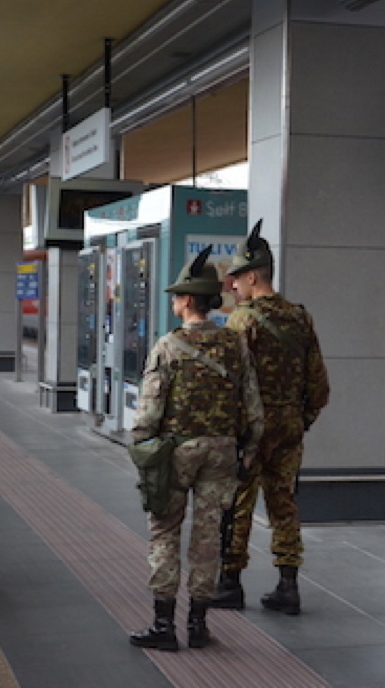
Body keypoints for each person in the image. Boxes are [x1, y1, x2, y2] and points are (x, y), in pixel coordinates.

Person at [128, 246, 263, 651]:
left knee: (165, 532)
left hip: (175, 452)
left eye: (175, 296)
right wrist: (249, 447)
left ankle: (163, 626)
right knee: (208, 538)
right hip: (222, 451)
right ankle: (199, 625)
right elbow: (253, 405)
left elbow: (149, 410)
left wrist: (141, 446)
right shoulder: (234, 343)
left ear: (187, 300)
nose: (173, 302)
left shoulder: (168, 346)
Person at [210, 220, 330, 615]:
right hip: (289, 428)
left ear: (254, 276)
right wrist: (301, 418)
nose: (231, 286)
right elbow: (319, 384)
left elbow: (231, 382)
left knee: (239, 502)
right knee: (284, 503)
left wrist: (232, 429)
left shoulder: (242, 320)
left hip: (252, 430)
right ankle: (288, 585)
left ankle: (230, 583)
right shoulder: (300, 317)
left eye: (236, 278)